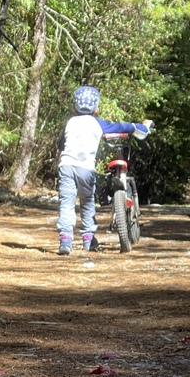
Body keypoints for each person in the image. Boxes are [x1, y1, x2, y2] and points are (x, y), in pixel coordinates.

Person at [56, 86, 152, 255]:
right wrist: (143, 127)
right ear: (97, 108)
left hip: (66, 166)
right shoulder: (98, 123)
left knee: (66, 203)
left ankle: (65, 240)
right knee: (87, 202)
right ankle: (88, 239)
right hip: (85, 168)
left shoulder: (70, 122)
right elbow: (124, 127)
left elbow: (61, 144)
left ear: (74, 107)